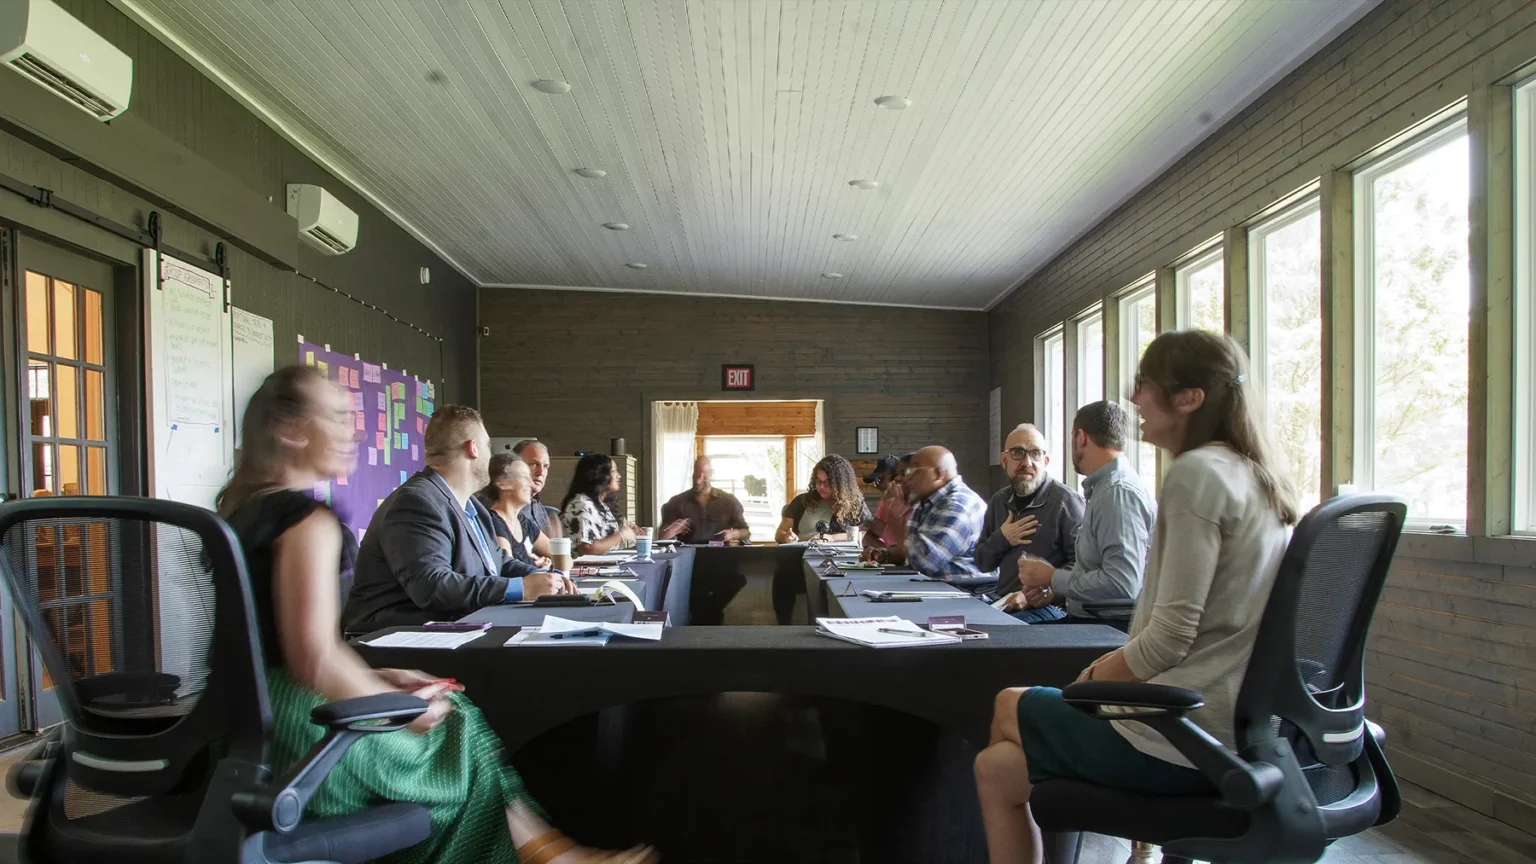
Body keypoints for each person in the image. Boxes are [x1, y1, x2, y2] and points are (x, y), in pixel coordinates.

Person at [219, 366, 652, 864]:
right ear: (290, 430)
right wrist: (395, 700)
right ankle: (553, 855)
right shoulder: (308, 522)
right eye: (337, 417)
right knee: (457, 727)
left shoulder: (238, 510)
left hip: (241, 724)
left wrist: (372, 675)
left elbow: (275, 644)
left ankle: (553, 854)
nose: (352, 430)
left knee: (458, 719)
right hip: (301, 729)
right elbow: (312, 660)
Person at [973, 331, 1297, 864]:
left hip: (1181, 735)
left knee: (1009, 701)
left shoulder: (1197, 473)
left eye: (1144, 385)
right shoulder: (1256, 475)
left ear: (1189, 397)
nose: (1134, 400)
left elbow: (1169, 639)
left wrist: (1093, 680)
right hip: (1242, 732)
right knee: (996, 769)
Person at [342, 406, 573, 634]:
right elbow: (432, 586)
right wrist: (521, 588)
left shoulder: (472, 507)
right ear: (473, 448)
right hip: (401, 636)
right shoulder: (417, 502)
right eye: (488, 446)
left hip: (460, 624)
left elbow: (498, 563)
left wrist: (541, 577)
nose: (490, 455)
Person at [1000, 401, 1156, 631]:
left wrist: (1053, 577)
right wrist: (1053, 590)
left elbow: (1122, 583)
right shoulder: (1105, 489)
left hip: (1107, 628)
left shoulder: (1117, 493)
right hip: (1093, 621)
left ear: (1080, 438)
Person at [974, 424, 1085, 619]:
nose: (1027, 462)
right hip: (1002, 602)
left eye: (1035, 454)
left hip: (1051, 606)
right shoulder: (998, 502)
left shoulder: (1066, 502)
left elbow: (1083, 565)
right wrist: (1002, 538)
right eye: (1018, 453)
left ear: (1046, 461)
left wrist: (1042, 593)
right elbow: (982, 563)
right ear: (1004, 460)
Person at [876, 446, 991, 581]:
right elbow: (911, 552)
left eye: (913, 471)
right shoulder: (926, 501)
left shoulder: (958, 505)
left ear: (938, 474)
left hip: (962, 594)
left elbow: (926, 562)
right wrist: (884, 555)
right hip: (931, 588)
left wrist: (896, 523)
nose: (906, 479)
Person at [476, 454, 554, 572]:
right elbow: (508, 569)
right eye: (524, 477)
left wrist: (548, 563)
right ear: (502, 483)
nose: (532, 485)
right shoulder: (493, 523)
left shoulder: (523, 522)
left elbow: (561, 554)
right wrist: (534, 567)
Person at [774, 454, 871, 543]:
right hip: (800, 556)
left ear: (840, 484)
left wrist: (833, 538)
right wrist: (785, 537)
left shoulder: (855, 504)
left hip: (838, 559)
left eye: (828, 483)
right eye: (818, 481)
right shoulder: (801, 501)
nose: (821, 486)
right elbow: (780, 533)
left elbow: (867, 534)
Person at [658, 456, 751, 544]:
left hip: (721, 556)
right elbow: (661, 538)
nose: (698, 481)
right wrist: (672, 530)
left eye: (703, 477)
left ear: (711, 474)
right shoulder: (676, 502)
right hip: (687, 557)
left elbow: (746, 532)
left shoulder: (729, 501)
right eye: (696, 476)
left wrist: (733, 534)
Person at [560, 453, 638, 556]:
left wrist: (626, 527)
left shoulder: (600, 504)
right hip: (586, 570)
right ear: (599, 475)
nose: (619, 475)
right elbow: (587, 549)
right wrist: (621, 535)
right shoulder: (581, 504)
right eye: (613, 471)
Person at [860, 454, 911, 552]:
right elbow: (867, 538)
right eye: (874, 481)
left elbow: (905, 548)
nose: (876, 485)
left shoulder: (912, 504)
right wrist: (889, 553)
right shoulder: (886, 500)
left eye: (880, 479)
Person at [514, 439, 561, 539]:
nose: (541, 472)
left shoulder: (537, 505)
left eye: (546, 466)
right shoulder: (505, 506)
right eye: (534, 464)